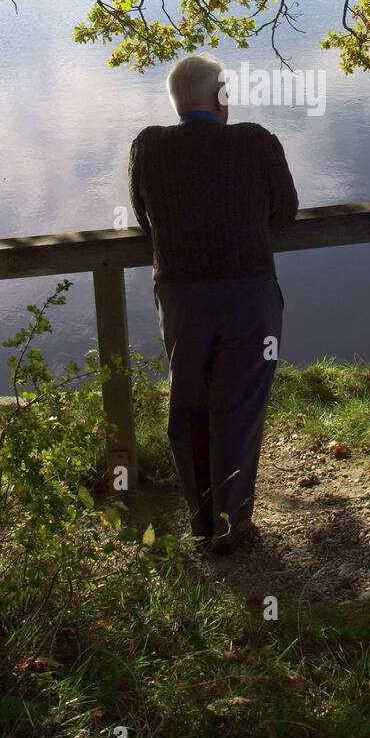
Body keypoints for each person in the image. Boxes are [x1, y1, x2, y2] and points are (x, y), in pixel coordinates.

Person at [128, 54, 299, 554]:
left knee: (190, 405)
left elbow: (144, 218)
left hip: (181, 295)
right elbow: (285, 210)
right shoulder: (255, 141)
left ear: (176, 103)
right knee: (239, 406)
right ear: (222, 98)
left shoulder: (149, 146)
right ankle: (232, 525)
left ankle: (202, 522)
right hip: (249, 291)